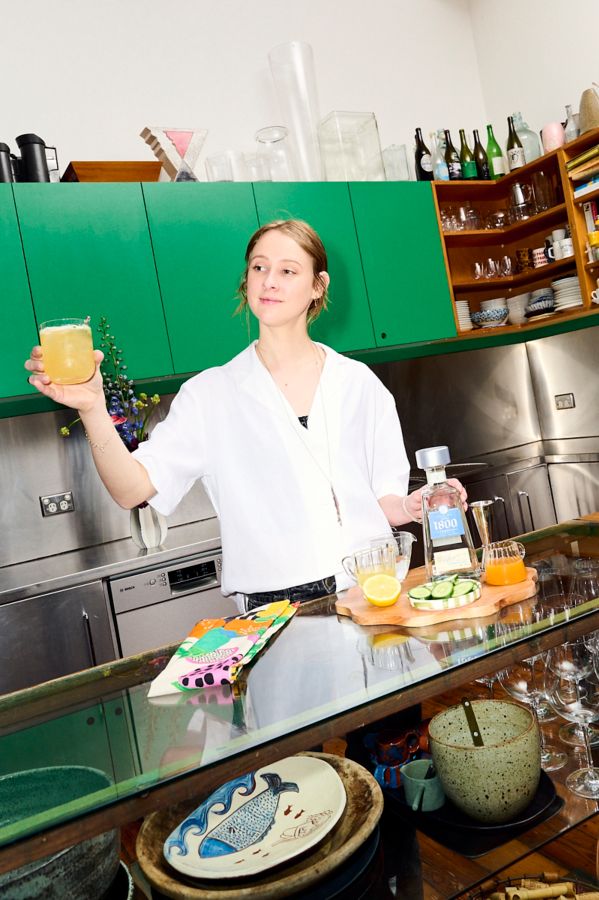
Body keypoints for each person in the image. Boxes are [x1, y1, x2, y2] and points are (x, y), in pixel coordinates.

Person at [25, 218, 466, 610]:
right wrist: (93, 409)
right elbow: (131, 490)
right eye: (259, 267)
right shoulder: (210, 394)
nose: (269, 280)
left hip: (375, 588)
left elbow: (381, 502)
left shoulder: (360, 384)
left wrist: (416, 503)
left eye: (288, 270)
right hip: (277, 607)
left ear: (318, 285)